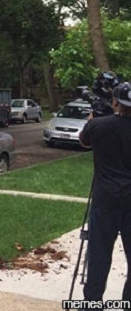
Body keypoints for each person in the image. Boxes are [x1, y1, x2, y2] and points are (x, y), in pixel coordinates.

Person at [79, 80, 131, 302]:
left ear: (114, 102)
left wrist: (93, 119)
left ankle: (92, 304)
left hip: (105, 200)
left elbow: (84, 142)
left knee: (99, 256)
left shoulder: (98, 125)